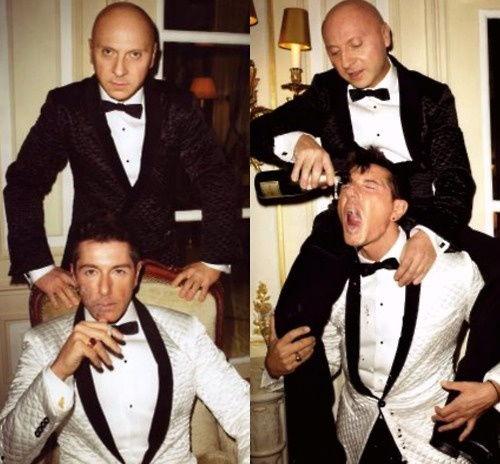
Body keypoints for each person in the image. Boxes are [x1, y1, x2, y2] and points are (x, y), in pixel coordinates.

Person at [250, 1, 500, 460]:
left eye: (356, 44)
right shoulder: (325, 91)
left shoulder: (431, 96)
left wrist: (429, 235)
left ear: (385, 35)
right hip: (349, 213)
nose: (346, 60)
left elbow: (457, 181)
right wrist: (301, 141)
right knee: (294, 317)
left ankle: (472, 399)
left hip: (423, 211)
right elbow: (258, 132)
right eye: (334, 51)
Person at [264, 149, 499, 463]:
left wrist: (495, 388)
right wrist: (275, 367)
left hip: (428, 448)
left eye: (369, 186)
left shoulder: (454, 270)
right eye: (346, 185)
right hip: (354, 444)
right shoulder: (329, 278)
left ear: (397, 209)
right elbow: (326, 361)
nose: (350, 194)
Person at [4, 2, 239, 308]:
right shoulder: (66, 106)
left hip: (162, 272)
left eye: (134, 55)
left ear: (153, 56)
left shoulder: (179, 105)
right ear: (91, 50)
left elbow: (216, 179)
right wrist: (38, 267)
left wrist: (214, 260)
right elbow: (23, 183)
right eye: (108, 52)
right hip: (88, 271)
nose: (119, 70)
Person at [0, 217, 249, 464]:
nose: (105, 289)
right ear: (74, 274)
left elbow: (242, 412)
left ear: (136, 274)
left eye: (118, 271)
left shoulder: (186, 332)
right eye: (91, 272)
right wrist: (59, 371)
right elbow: (10, 453)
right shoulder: (42, 342)